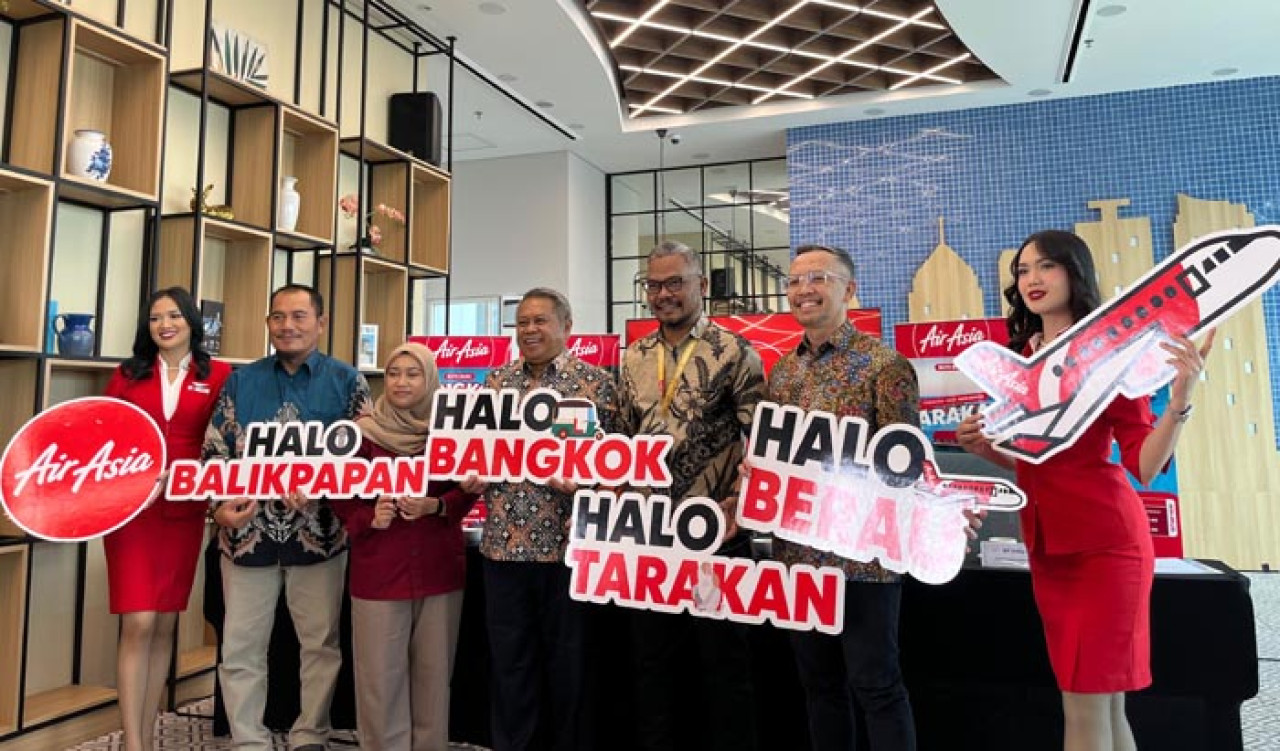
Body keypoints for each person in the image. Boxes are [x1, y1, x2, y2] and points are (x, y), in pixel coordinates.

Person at [956, 230, 1213, 751]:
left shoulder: (1106, 354)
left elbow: (1145, 463)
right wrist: (988, 452)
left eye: (1046, 267)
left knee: (1086, 704)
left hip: (1105, 544)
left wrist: (1180, 400)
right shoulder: (1022, 357)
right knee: (1102, 704)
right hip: (1049, 547)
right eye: (1023, 270)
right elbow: (1040, 461)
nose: (1032, 279)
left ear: (1075, 272)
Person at [763, 244, 920, 751]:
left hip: (865, 559)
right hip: (798, 557)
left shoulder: (885, 366)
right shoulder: (783, 372)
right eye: (794, 281)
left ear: (849, 290)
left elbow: (906, 470)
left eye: (818, 278)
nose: (803, 289)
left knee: (877, 685)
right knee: (818, 686)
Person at [205, 284, 370, 751]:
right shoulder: (241, 381)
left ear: (320, 322)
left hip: (319, 537)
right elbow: (214, 451)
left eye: (299, 316)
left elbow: (364, 458)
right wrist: (217, 507)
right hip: (245, 537)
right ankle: (248, 740)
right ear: (268, 324)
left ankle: (309, 734)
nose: (287, 325)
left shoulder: (347, 382)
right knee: (240, 649)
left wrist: (322, 488)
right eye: (278, 317)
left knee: (320, 647)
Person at [617, 241, 765, 751]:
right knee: (652, 668)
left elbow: (762, 449)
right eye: (654, 286)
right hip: (647, 538)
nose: (663, 294)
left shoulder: (738, 353)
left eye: (675, 282)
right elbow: (619, 441)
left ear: (702, 285)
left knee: (724, 669)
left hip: (716, 538)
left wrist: (739, 506)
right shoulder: (632, 357)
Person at [479, 287, 620, 751]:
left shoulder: (597, 385)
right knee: (510, 666)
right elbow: (474, 449)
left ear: (567, 326)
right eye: (522, 322)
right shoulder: (495, 385)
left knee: (571, 668)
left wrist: (587, 485)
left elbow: (620, 467)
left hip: (570, 550)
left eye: (540, 321)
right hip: (503, 547)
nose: (530, 330)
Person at [335, 342, 483, 751]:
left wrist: (438, 504)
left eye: (413, 373)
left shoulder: (451, 432)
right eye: (395, 373)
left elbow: (467, 489)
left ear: (429, 379)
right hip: (380, 572)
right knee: (379, 681)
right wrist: (370, 517)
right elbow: (339, 494)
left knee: (434, 680)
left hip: (439, 572)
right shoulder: (361, 433)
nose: (401, 382)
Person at [103, 287, 231, 751]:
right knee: (137, 621)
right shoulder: (127, 374)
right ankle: (133, 742)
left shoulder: (218, 374)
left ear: (192, 323)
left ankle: (150, 733)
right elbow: (107, 434)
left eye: (174, 315)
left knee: (163, 624)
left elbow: (224, 439)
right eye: (156, 317)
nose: (165, 324)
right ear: (148, 326)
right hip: (133, 511)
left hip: (185, 510)